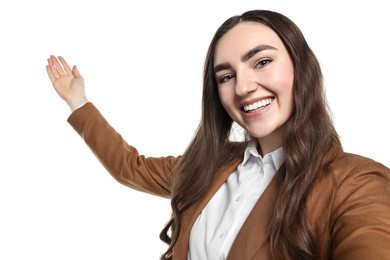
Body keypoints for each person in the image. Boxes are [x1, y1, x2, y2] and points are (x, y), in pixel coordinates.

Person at [46, 9, 390, 260]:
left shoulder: (357, 183)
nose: (243, 87)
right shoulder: (208, 166)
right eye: (226, 76)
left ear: (303, 69)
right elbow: (129, 167)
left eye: (262, 62)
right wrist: (78, 102)